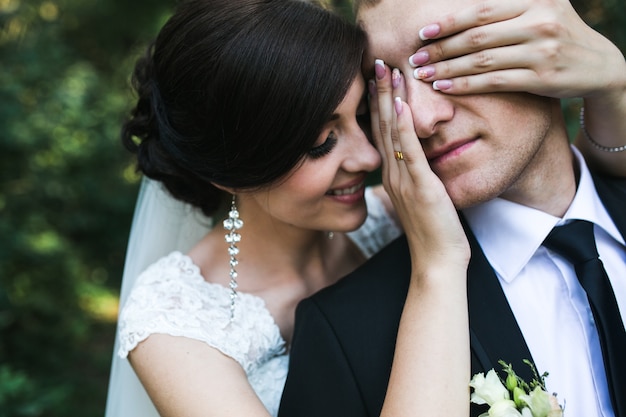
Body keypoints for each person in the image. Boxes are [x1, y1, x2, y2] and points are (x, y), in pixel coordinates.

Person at [104, 1, 626, 416]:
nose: (373, 155)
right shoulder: (174, 320)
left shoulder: (399, 211)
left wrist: (610, 83)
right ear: (230, 173)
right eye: (320, 143)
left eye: (364, 113)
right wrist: (438, 267)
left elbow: (569, 175)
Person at [278, 0, 626, 416]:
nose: (423, 120)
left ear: (548, 32)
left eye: (451, 57)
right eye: (388, 84)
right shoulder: (343, 335)